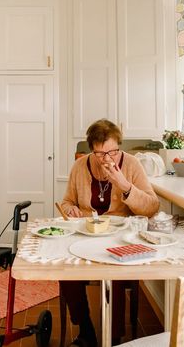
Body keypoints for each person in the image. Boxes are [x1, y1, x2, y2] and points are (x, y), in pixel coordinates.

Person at [60, 119, 159, 347]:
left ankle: (114, 338)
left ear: (119, 147)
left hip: (119, 238)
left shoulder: (132, 165)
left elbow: (152, 207)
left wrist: (125, 185)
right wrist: (71, 209)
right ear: (91, 149)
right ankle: (86, 331)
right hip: (85, 234)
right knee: (66, 269)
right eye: (99, 153)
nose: (107, 159)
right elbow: (66, 202)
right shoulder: (79, 166)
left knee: (115, 273)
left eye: (112, 152)